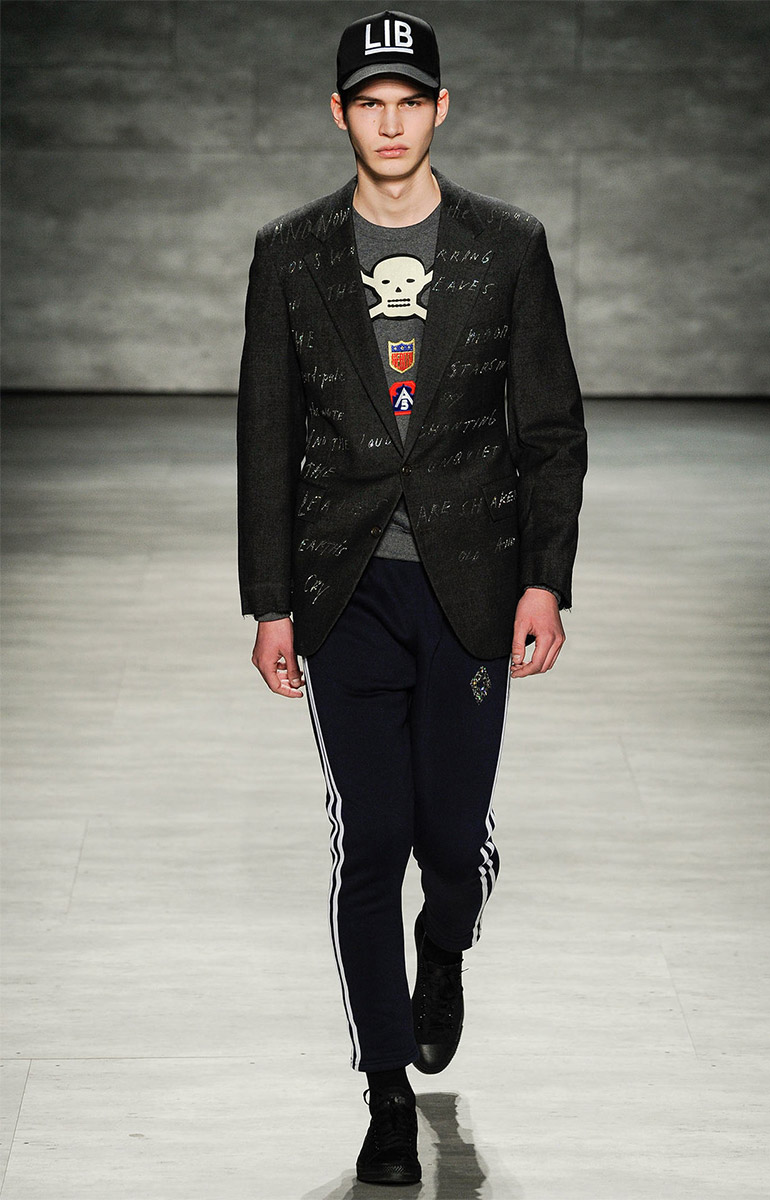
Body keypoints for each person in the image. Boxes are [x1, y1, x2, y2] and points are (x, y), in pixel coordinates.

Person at [237, 9, 586, 1186]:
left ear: (439, 109)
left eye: (408, 102)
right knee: (369, 840)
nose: (389, 124)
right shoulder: (290, 253)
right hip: (343, 588)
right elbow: (265, 433)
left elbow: (549, 430)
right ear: (339, 114)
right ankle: (385, 1091)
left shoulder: (507, 244)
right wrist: (269, 602)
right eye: (368, 103)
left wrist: (543, 581)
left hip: (470, 584)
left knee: (446, 842)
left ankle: (444, 947)